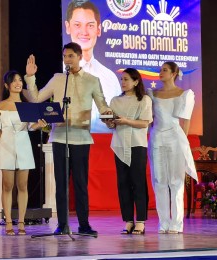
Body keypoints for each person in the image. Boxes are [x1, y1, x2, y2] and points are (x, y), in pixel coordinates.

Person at [24, 42, 111, 236]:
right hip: (59, 136)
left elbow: (102, 105)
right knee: (61, 183)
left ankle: (84, 225)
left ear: (80, 57)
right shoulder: (57, 79)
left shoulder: (92, 80)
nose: (67, 60)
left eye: (71, 56)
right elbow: (37, 99)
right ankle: (62, 224)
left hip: (81, 137)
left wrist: (109, 114)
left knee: (80, 183)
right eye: (65, 56)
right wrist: (30, 77)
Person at [0, 71, 47, 236]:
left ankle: (21, 221)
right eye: (14, 81)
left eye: (20, 80)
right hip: (6, 146)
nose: (18, 83)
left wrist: (39, 125)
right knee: (7, 185)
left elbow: (30, 127)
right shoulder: (0, 105)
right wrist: (6, 141)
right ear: (7, 85)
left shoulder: (27, 105)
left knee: (23, 185)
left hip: (23, 146)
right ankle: (8, 221)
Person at [147, 61, 197, 234]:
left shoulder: (184, 94)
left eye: (165, 70)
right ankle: (164, 222)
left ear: (174, 73)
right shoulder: (152, 94)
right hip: (157, 137)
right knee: (159, 180)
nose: (161, 72)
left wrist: (182, 140)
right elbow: (149, 119)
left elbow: (186, 121)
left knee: (176, 181)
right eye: (160, 69)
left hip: (175, 137)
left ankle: (176, 223)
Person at [104, 68, 152, 235]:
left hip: (137, 144)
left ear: (136, 81)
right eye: (121, 79)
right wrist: (110, 123)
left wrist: (125, 120)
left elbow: (144, 123)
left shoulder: (144, 99)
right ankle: (128, 220)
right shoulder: (115, 100)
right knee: (123, 183)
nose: (123, 82)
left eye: (126, 79)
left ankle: (140, 220)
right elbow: (111, 125)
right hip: (119, 144)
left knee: (138, 182)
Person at [65, 0, 121, 133]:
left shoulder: (110, 78)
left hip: (103, 144)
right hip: (68, 138)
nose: (84, 32)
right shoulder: (61, 75)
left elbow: (110, 114)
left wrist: (111, 121)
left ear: (98, 29)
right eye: (77, 25)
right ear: (68, 27)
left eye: (90, 25)